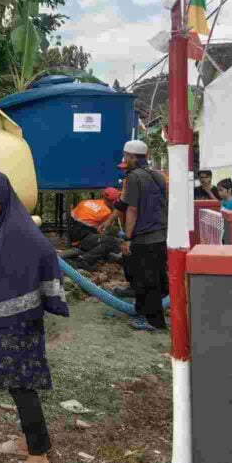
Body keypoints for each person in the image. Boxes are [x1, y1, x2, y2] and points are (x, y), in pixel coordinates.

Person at [0, 172, 69, 463]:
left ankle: (38, 460)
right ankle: (30, 441)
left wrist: (47, 297)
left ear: (3, 194)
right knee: (18, 386)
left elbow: (45, 253)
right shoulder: (5, 226)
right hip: (6, 324)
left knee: (22, 386)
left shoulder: (17, 228)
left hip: (18, 325)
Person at [116, 140, 168, 331]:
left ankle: (154, 321)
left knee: (147, 280)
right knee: (152, 277)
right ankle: (142, 312)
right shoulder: (158, 175)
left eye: (125, 156)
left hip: (144, 236)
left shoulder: (135, 177)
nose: (124, 159)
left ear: (131, 156)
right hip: (160, 233)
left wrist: (127, 238)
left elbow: (132, 210)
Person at [68, 188, 122, 270]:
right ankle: (83, 259)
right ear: (114, 202)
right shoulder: (106, 212)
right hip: (83, 239)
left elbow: (72, 217)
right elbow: (104, 231)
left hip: (72, 236)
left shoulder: (85, 202)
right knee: (111, 242)